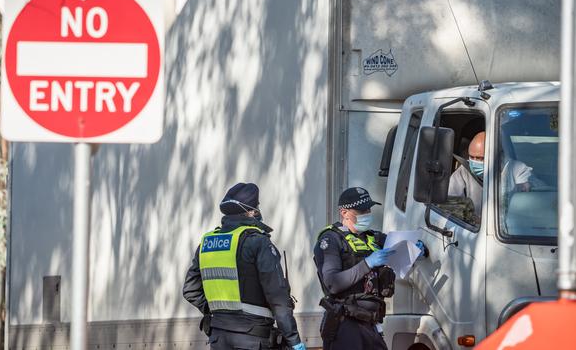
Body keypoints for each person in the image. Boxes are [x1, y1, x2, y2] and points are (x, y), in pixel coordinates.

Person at [183, 182, 307, 350]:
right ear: (251, 211)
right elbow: (278, 299)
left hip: (219, 338)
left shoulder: (207, 243)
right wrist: (294, 341)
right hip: (253, 339)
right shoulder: (258, 242)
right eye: (257, 208)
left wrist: (218, 312)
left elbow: (190, 290)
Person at [313, 187, 426, 350]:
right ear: (344, 213)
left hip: (371, 324)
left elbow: (401, 248)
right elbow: (333, 283)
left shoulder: (374, 237)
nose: (366, 213)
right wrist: (368, 263)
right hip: (346, 324)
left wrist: (417, 250)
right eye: (361, 210)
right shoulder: (331, 239)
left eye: (368, 209)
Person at [448, 131, 541, 218]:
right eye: (471, 157)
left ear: (497, 156)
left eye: (480, 158)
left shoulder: (516, 168)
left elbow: (536, 190)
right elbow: (451, 201)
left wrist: (522, 188)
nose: (474, 162)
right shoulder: (464, 171)